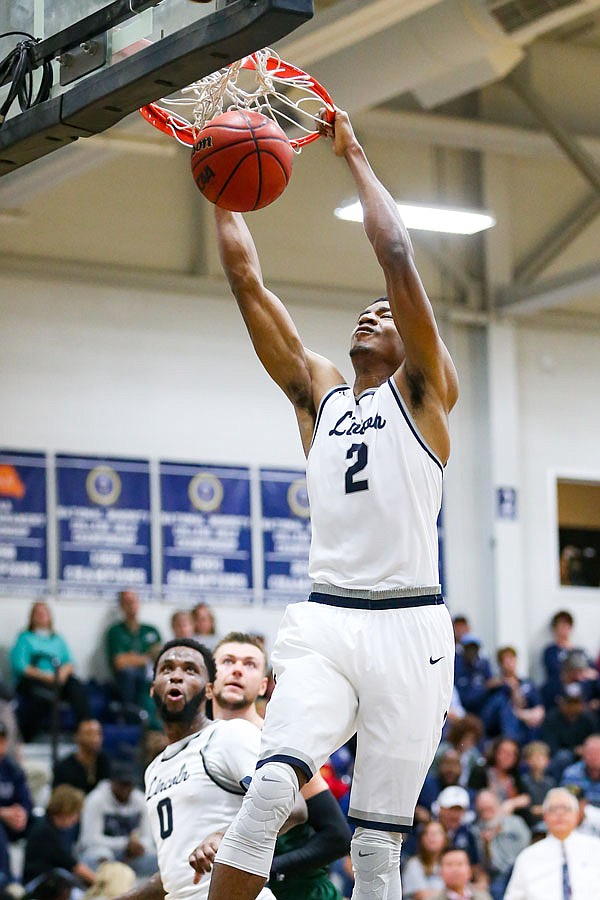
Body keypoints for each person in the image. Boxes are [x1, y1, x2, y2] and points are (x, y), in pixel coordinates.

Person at [207, 104, 458, 900]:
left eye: (386, 315)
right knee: (268, 795)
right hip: (325, 619)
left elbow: (394, 253)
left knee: (377, 853)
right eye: (369, 311)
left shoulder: (425, 396)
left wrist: (352, 155)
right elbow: (247, 281)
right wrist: (218, 185)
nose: (372, 312)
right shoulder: (321, 398)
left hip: (411, 625)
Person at [113, 637, 282, 900]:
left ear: (209, 690)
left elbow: (288, 805)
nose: (177, 676)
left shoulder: (229, 735)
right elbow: (176, 874)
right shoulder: (154, 769)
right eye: (167, 669)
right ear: (152, 688)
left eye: (190, 670)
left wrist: (223, 835)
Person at [208, 633, 351, 900]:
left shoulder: (281, 743)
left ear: (263, 686)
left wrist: (264, 870)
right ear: (209, 678)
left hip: (300, 891)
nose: (237, 669)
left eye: (249, 663)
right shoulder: (199, 747)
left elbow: (337, 836)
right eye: (228, 661)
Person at [10, 600, 91, 742]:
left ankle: (85, 731)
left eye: (44, 612)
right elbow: (21, 666)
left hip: (57, 679)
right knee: (43, 695)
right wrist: (46, 676)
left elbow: (70, 662)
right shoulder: (25, 638)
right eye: (38, 612)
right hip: (34, 681)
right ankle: (28, 736)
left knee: (76, 686)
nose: (41, 615)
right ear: (32, 617)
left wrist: (61, 674)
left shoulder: (58, 639)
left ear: (50, 616)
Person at [504, 787, 600, 898]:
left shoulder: (596, 849)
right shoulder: (528, 857)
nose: (559, 813)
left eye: (565, 808)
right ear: (545, 816)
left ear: (577, 814)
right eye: (553, 809)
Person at [78, 759, 157, 878]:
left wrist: (139, 845)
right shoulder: (96, 800)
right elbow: (89, 840)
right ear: (112, 782)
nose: (126, 788)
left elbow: (148, 838)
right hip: (104, 852)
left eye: (129, 784)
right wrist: (125, 844)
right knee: (100, 856)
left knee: (158, 859)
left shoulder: (140, 800)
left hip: (132, 854)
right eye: (122, 784)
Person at [23, 784, 97, 888]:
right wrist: (99, 882)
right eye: (75, 813)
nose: (76, 819)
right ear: (66, 810)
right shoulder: (45, 831)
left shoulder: (54, 828)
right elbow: (74, 866)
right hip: (37, 884)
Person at [105, 590, 162, 716]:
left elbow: (160, 657)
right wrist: (146, 657)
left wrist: (132, 658)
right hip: (129, 681)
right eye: (127, 602)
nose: (131, 605)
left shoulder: (151, 630)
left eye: (133, 601)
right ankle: (134, 715)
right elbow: (119, 662)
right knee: (130, 673)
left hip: (151, 676)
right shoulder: (115, 631)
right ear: (121, 606)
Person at [470, 790, 530, 900]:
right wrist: (486, 845)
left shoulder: (515, 822)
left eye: (489, 808)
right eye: (482, 809)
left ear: (498, 805)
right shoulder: (476, 830)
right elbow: (489, 865)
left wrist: (500, 829)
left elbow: (527, 843)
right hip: (497, 877)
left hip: (520, 870)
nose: (486, 812)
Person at [481, 647, 544, 745]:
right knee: (502, 703)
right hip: (498, 725)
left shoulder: (527, 683)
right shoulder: (496, 684)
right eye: (506, 659)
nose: (510, 662)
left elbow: (538, 709)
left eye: (512, 658)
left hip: (524, 722)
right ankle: (510, 741)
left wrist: (520, 714)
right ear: (501, 663)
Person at [0, 720, 32, 887]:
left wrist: (23, 813)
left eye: (2, 739)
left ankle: (34, 881)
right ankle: (6, 882)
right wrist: (3, 813)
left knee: (42, 824)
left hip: (14, 822)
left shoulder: (13, 768)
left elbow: (26, 799)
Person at [53, 719, 111, 795]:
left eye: (98, 733)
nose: (95, 739)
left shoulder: (105, 761)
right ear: (76, 737)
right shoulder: (63, 768)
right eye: (89, 733)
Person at [401, 820, 447, 899]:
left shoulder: (448, 863)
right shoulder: (414, 864)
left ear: (445, 839)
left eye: (437, 833)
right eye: (428, 833)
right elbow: (422, 896)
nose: (432, 837)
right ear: (422, 839)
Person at [559, 733, 600, 807]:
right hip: (580, 815)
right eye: (591, 752)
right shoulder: (571, 774)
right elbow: (568, 801)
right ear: (583, 754)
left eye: (598, 752)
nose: (594, 757)